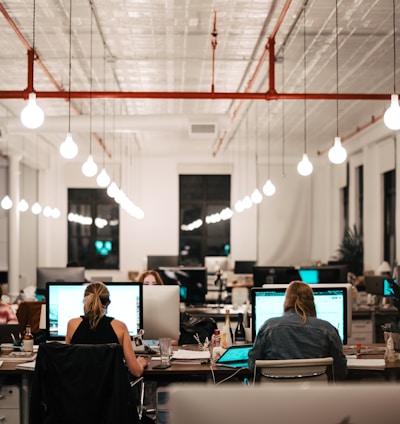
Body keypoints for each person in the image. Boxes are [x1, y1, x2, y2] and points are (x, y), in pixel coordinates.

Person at [248, 280, 347, 380]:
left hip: (276, 394)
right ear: (312, 302)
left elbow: (253, 366)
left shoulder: (268, 327)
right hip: (316, 393)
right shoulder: (328, 330)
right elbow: (340, 370)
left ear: (286, 301)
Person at [66, 281, 147, 378]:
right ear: (108, 303)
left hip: (77, 391)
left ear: (85, 301)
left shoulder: (72, 325)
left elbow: (66, 363)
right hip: (111, 392)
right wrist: (140, 363)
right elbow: (136, 372)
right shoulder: (120, 327)